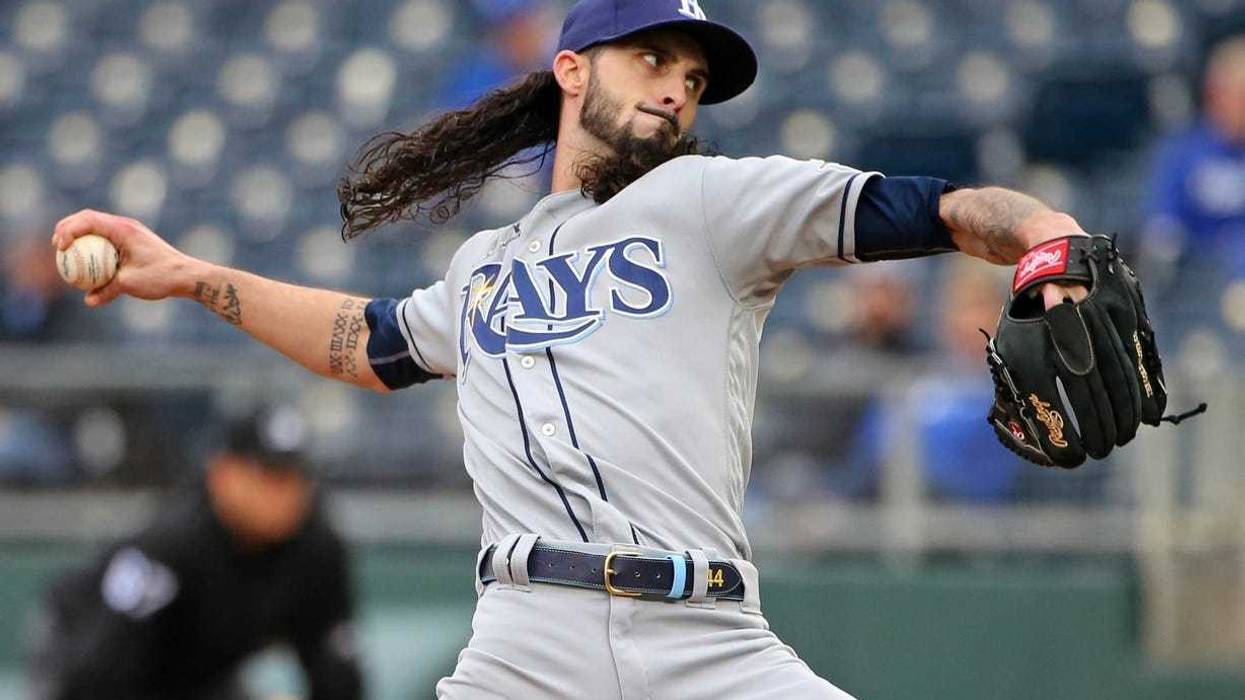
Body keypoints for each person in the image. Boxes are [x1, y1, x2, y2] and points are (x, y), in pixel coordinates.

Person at [50, 1, 1112, 696]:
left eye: (691, 76)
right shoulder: (484, 268)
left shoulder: (715, 203)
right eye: (651, 57)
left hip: (708, 639)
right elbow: (362, 343)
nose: (676, 86)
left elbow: (936, 208)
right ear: (571, 69)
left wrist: (1047, 234)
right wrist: (187, 275)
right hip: (526, 640)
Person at [27, 405, 363, 700]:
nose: (283, 493)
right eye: (267, 475)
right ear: (223, 475)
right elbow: (100, 671)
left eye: (294, 477)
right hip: (85, 651)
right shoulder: (172, 544)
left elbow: (335, 674)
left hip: (200, 675)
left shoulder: (316, 551)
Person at [1144, 34, 1245, 279]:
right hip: (1200, 282)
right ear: (1215, 94)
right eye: (1240, 96)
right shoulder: (1181, 153)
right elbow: (1162, 226)